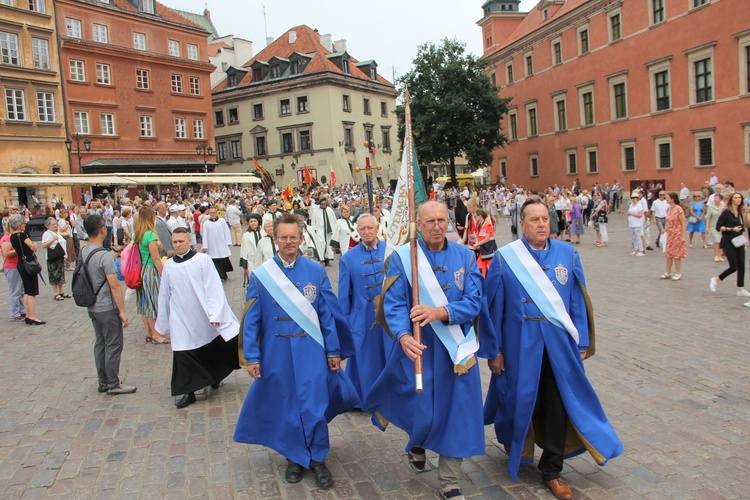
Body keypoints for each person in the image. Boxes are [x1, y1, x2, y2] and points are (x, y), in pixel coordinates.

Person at [483, 197, 623, 500]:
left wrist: (582, 342)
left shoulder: (567, 254)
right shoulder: (506, 258)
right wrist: (494, 351)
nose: (541, 224)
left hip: (559, 346)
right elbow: (494, 308)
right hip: (520, 345)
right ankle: (517, 444)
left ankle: (552, 470)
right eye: (534, 219)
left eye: (545, 218)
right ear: (522, 224)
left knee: (559, 404)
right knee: (519, 400)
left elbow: (576, 301)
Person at [363, 201, 487, 500]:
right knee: (422, 409)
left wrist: (441, 312)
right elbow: (392, 304)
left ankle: (449, 480)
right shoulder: (403, 258)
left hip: (456, 350)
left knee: (457, 411)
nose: (436, 226)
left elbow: (474, 302)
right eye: (429, 221)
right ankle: (417, 442)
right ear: (418, 223)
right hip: (420, 348)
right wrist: (403, 336)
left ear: (449, 222)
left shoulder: (466, 257)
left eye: (441, 220)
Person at [234, 213, 358, 489]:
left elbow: (327, 314)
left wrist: (333, 351)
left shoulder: (315, 271)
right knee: (287, 404)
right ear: (274, 239)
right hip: (276, 352)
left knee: (314, 405)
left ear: (301, 238)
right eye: (283, 237)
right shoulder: (261, 275)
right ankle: (294, 457)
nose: (289, 242)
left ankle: (317, 458)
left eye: (293, 237)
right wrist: (251, 356)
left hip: (311, 350)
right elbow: (251, 320)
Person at [155, 228, 240, 409]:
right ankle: (189, 392)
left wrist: (216, 313)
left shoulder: (202, 260)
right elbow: (164, 293)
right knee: (182, 351)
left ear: (189, 241)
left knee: (209, 345)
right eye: (175, 242)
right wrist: (163, 320)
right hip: (180, 316)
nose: (177, 245)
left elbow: (213, 287)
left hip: (202, 314)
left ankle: (214, 375)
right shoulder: (169, 265)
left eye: (181, 241)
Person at [81, 215, 135, 395]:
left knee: (100, 342)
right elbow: (114, 285)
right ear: (102, 229)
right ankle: (113, 382)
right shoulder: (103, 256)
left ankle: (103, 380)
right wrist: (122, 311)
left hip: (92, 305)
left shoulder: (84, 251)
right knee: (113, 343)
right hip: (107, 306)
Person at [338, 213, 388, 405]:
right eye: (362, 229)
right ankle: (364, 397)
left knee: (387, 353)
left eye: (370, 228)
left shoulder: (390, 250)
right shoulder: (348, 259)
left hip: (388, 314)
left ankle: (389, 394)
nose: (367, 232)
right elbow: (344, 296)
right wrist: (345, 324)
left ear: (377, 229)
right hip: (362, 316)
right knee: (364, 358)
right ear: (357, 232)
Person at [133, 206, 170, 345]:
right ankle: (156, 334)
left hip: (141, 269)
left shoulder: (137, 233)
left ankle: (149, 332)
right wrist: (163, 274)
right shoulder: (150, 235)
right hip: (150, 270)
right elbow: (156, 258)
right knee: (153, 303)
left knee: (145, 303)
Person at [710, 192, 749, 299]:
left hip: (739, 240)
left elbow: (745, 225)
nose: (738, 200)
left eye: (740, 198)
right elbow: (718, 227)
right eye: (736, 198)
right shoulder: (726, 212)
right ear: (731, 200)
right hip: (728, 241)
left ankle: (740, 288)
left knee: (742, 265)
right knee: (734, 266)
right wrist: (731, 229)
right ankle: (716, 279)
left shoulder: (740, 212)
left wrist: (746, 214)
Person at [7, 214, 44, 325]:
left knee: (26, 291)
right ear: (18, 225)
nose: (24, 225)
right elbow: (33, 247)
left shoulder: (12, 237)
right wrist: (33, 245)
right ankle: (32, 316)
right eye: (23, 223)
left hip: (20, 263)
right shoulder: (22, 235)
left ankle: (28, 315)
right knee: (32, 291)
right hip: (29, 262)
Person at [1, 219, 26, 321]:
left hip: (19, 265)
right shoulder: (6, 238)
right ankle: (15, 314)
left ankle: (22, 310)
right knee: (15, 291)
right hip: (11, 267)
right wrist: (19, 249)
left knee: (21, 290)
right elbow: (6, 253)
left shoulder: (16, 237)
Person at [660, 193, 688, 281]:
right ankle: (667, 272)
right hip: (670, 234)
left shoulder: (679, 209)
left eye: (667, 197)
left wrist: (683, 236)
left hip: (677, 234)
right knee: (668, 254)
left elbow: (683, 222)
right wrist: (666, 229)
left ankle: (677, 273)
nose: (666, 199)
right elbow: (669, 222)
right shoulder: (668, 209)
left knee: (677, 254)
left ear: (672, 199)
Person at [201, 207, 233, 281]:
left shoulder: (222, 221)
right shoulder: (206, 223)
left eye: (214, 212)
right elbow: (204, 235)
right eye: (211, 213)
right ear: (209, 214)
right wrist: (205, 245)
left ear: (216, 213)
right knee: (215, 260)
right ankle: (219, 275)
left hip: (221, 243)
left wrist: (228, 241)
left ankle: (224, 274)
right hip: (212, 244)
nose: (213, 214)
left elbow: (226, 231)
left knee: (223, 258)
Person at [41, 218, 70, 301]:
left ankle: (61, 291)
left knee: (60, 273)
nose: (55, 225)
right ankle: (56, 293)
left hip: (60, 256)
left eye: (55, 224)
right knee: (53, 274)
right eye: (53, 224)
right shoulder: (47, 234)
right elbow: (44, 245)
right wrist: (53, 239)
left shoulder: (57, 233)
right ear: (48, 226)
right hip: (52, 257)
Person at [311, 197, 336, 266]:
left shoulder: (330, 210)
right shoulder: (316, 211)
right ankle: (321, 259)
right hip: (320, 231)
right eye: (322, 204)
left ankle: (327, 260)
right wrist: (314, 230)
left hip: (329, 231)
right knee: (321, 245)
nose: (323, 205)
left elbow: (333, 220)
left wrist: (334, 229)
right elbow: (313, 221)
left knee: (328, 245)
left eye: (325, 204)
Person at [239, 214, 262, 282]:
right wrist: (244, 264)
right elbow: (244, 249)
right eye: (251, 221)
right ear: (249, 223)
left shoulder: (263, 233)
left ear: (258, 222)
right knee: (253, 278)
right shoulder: (246, 235)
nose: (253, 223)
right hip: (252, 260)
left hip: (262, 259)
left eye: (255, 221)